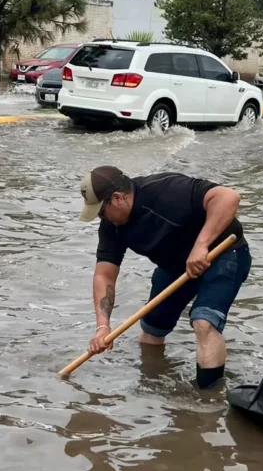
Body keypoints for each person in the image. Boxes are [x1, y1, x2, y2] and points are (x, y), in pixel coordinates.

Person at [77, 166, 251, 389]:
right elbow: (104, 275)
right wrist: (102, 327)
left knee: (203, 322)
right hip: (175, 266)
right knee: (151, 330)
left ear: (118, 198)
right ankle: (153, 388)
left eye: (101, 211)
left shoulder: (167, 191)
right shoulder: (112, 227)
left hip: (222, 253)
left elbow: (228, 196)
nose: (102, 218)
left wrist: (201, 245)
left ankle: (208, 399)